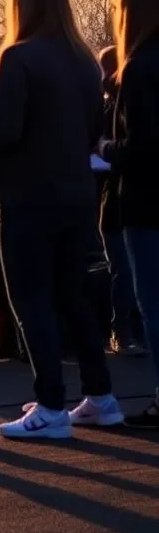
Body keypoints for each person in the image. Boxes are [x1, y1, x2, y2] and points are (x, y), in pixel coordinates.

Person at [0, 0, 123, 439]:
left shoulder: (17, 58)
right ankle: (101, 397)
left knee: (30, 300)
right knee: (74, 299)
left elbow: (6, 133)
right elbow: (93, 130)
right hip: (75, 194)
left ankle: (51, 404)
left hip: (27, 197)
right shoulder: (85, 62)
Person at [102, 0, 159, 428]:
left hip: (147, 200)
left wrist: (104, 151)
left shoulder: (139, 68)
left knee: (152, 301)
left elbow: (141, 146)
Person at [96, 45, 145, 356]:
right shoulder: (114, 109)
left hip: (115, 200)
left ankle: (125, 331)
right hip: (119, 202)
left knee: (123, 272)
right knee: (125, 272)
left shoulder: (111, 109)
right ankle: (123, 331)